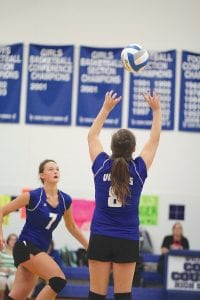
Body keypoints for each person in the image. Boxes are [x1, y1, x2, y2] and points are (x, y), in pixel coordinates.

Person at [87, 90, 162, 300]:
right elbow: (154, 140)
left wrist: (106, 108)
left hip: (100, 235)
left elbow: (92, 136)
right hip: (127, 238)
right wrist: (156, 110)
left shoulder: (101, 165)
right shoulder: (138, 169)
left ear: (111, 147)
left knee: (95, 295)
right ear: (133, 149)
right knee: (123, 296)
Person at [0, 159, 88, 300]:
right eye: (51, 169)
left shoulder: (65, 200)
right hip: (25, 246)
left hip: (39, 249)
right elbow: (2, 210)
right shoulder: (33, 196)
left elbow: (71, 227)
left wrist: (88, 246)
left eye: (57, 169)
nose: (55, 171)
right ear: (42, 175)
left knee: (16, 297)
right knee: (58, 280)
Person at [0, 233, 17, 300]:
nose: (13, 241)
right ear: (8, 241)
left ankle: (11, 298)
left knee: (12, 280)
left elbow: (20, 267)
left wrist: (13, 271)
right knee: (1, 280)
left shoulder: (18, 252)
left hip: (14, 273)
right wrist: (3, 270)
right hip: (2, 272)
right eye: (11, 239)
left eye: (15, 240)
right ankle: (2, 297)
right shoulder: (2, 252)